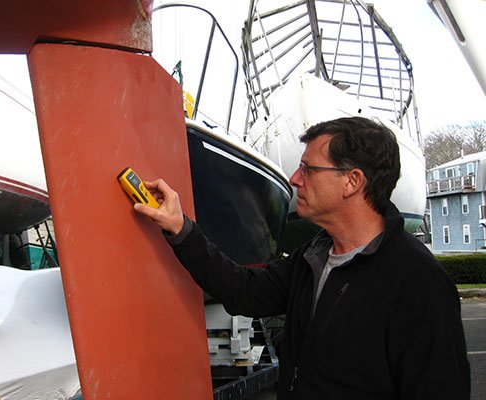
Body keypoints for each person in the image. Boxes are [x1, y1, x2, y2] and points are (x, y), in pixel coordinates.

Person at [134, 117, 470, 399]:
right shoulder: (314, 257)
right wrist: (180, 228)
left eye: (308, 169)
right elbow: (243, 291)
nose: (295, 179)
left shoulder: (418, 282)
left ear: (352, 181)